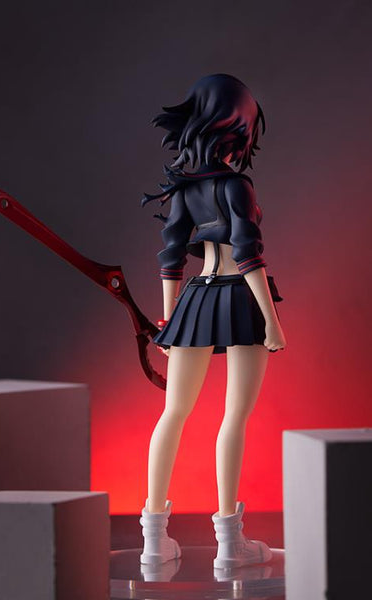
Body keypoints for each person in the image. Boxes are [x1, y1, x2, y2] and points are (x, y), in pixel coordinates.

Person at [139, 74, 287, 569]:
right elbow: (249, 257)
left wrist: (168, 320)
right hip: (240, 299)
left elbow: (171, 259)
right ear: (235, 125)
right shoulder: (237, 185)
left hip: (195, 299)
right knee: (234, 416)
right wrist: (272, 322)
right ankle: (229, 545)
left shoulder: (186, 190)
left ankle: (153, 542)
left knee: (173, 413)